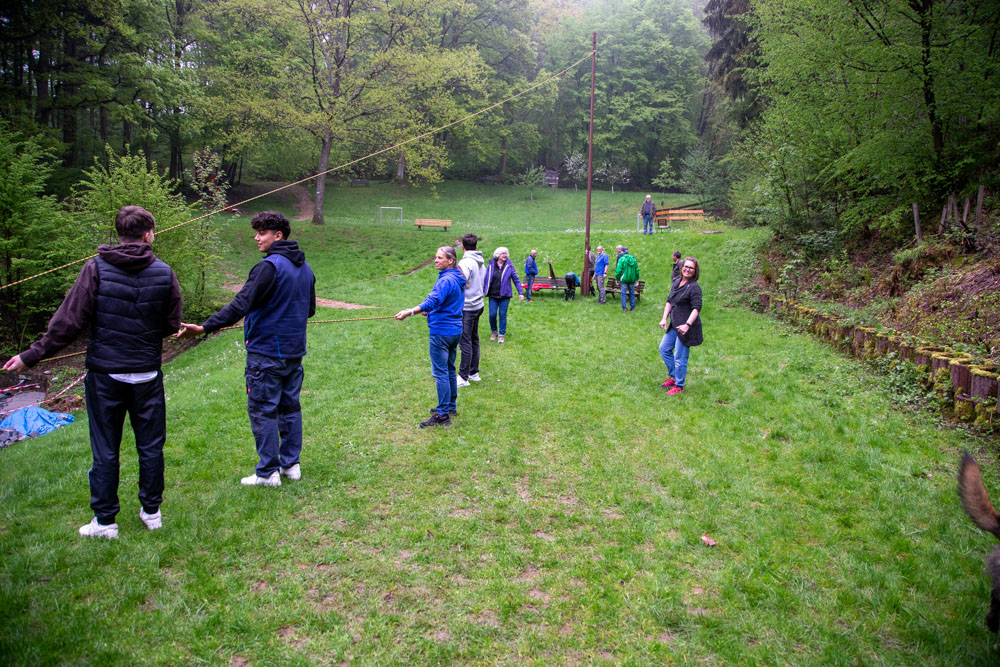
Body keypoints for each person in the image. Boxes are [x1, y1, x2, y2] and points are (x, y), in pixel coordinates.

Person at [3, 206, 182, 539]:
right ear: (147, 234)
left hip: (115, 376)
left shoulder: (109, 269)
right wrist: (33, 355)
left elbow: (67, 323)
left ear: (120, 234)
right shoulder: (145, 271)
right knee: (150, 446)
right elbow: (170, 324)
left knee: (107, 448)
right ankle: (144, 513)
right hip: (132, 374)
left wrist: (30, 356)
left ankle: (110, 520)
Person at [177, 211, 315, 486]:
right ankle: (291, 465)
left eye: (262, 232)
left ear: (278, 235)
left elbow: (240, 305)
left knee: (264, 410)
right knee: (289, 408)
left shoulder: (268, 267)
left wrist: (204, 328)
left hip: (266, 354)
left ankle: (268, 473)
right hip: (293, 353)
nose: (256, 238)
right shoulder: (306, 268)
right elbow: (309, 310)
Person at [395, 246, 466, 427]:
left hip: (442, 332)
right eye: (435, 257)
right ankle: (450, 406)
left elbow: (432, 300)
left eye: (440, 258)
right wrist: (431, 312)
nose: (435, 260)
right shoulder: (457, 278)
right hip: (454, 331)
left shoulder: (446, 280)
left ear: (450, 260)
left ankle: (442, 414)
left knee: (440, 372)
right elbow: (445, 303)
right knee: (449, 369)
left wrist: (410, 312)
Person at [659, 257, 703, 395]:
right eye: (686, 266)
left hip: (686, 327)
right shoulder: (677, 282)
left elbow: (696, 308)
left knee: (680, 356)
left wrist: (687, 325)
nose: (687, 269)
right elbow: (669, 301)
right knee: (664, 349)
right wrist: (664, 318)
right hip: (675, 324)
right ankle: (673, 376)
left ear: (695, 271)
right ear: (682, 266)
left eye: (691, 268)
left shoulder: (694, 287)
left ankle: (679, 385)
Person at [456, 234, 485, 388]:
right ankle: (474, 373)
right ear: (476, 246)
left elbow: (461, 281)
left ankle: (463, 377)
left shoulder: (466, 262)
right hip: (479, 305)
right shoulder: (481, 261)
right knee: (474, 339)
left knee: (465, 341)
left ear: (462, 246)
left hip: (468, 307)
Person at [483, 246, 524, 344]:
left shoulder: (509, 265)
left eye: (506, 253)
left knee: (502, 314)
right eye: (503, 253)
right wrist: (483, 290)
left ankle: (501, 334)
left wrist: (520, 293)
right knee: (492, 315)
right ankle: (494, 331)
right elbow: (485, 278)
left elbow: (516, 279)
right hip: (493, 294)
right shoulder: (491, 264)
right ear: (498, 255)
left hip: (505, 295)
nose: (505, 255)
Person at [615, 247, 639, 311]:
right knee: (632, 293)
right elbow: (637, 270)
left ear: (622, 252)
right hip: (632, 279)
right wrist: (636, 278)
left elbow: (618, 270)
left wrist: (617, 278)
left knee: (623, 293)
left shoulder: (621, 259)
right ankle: (633, 307)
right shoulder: (633, 259)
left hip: (624, 279)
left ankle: (624, 308)